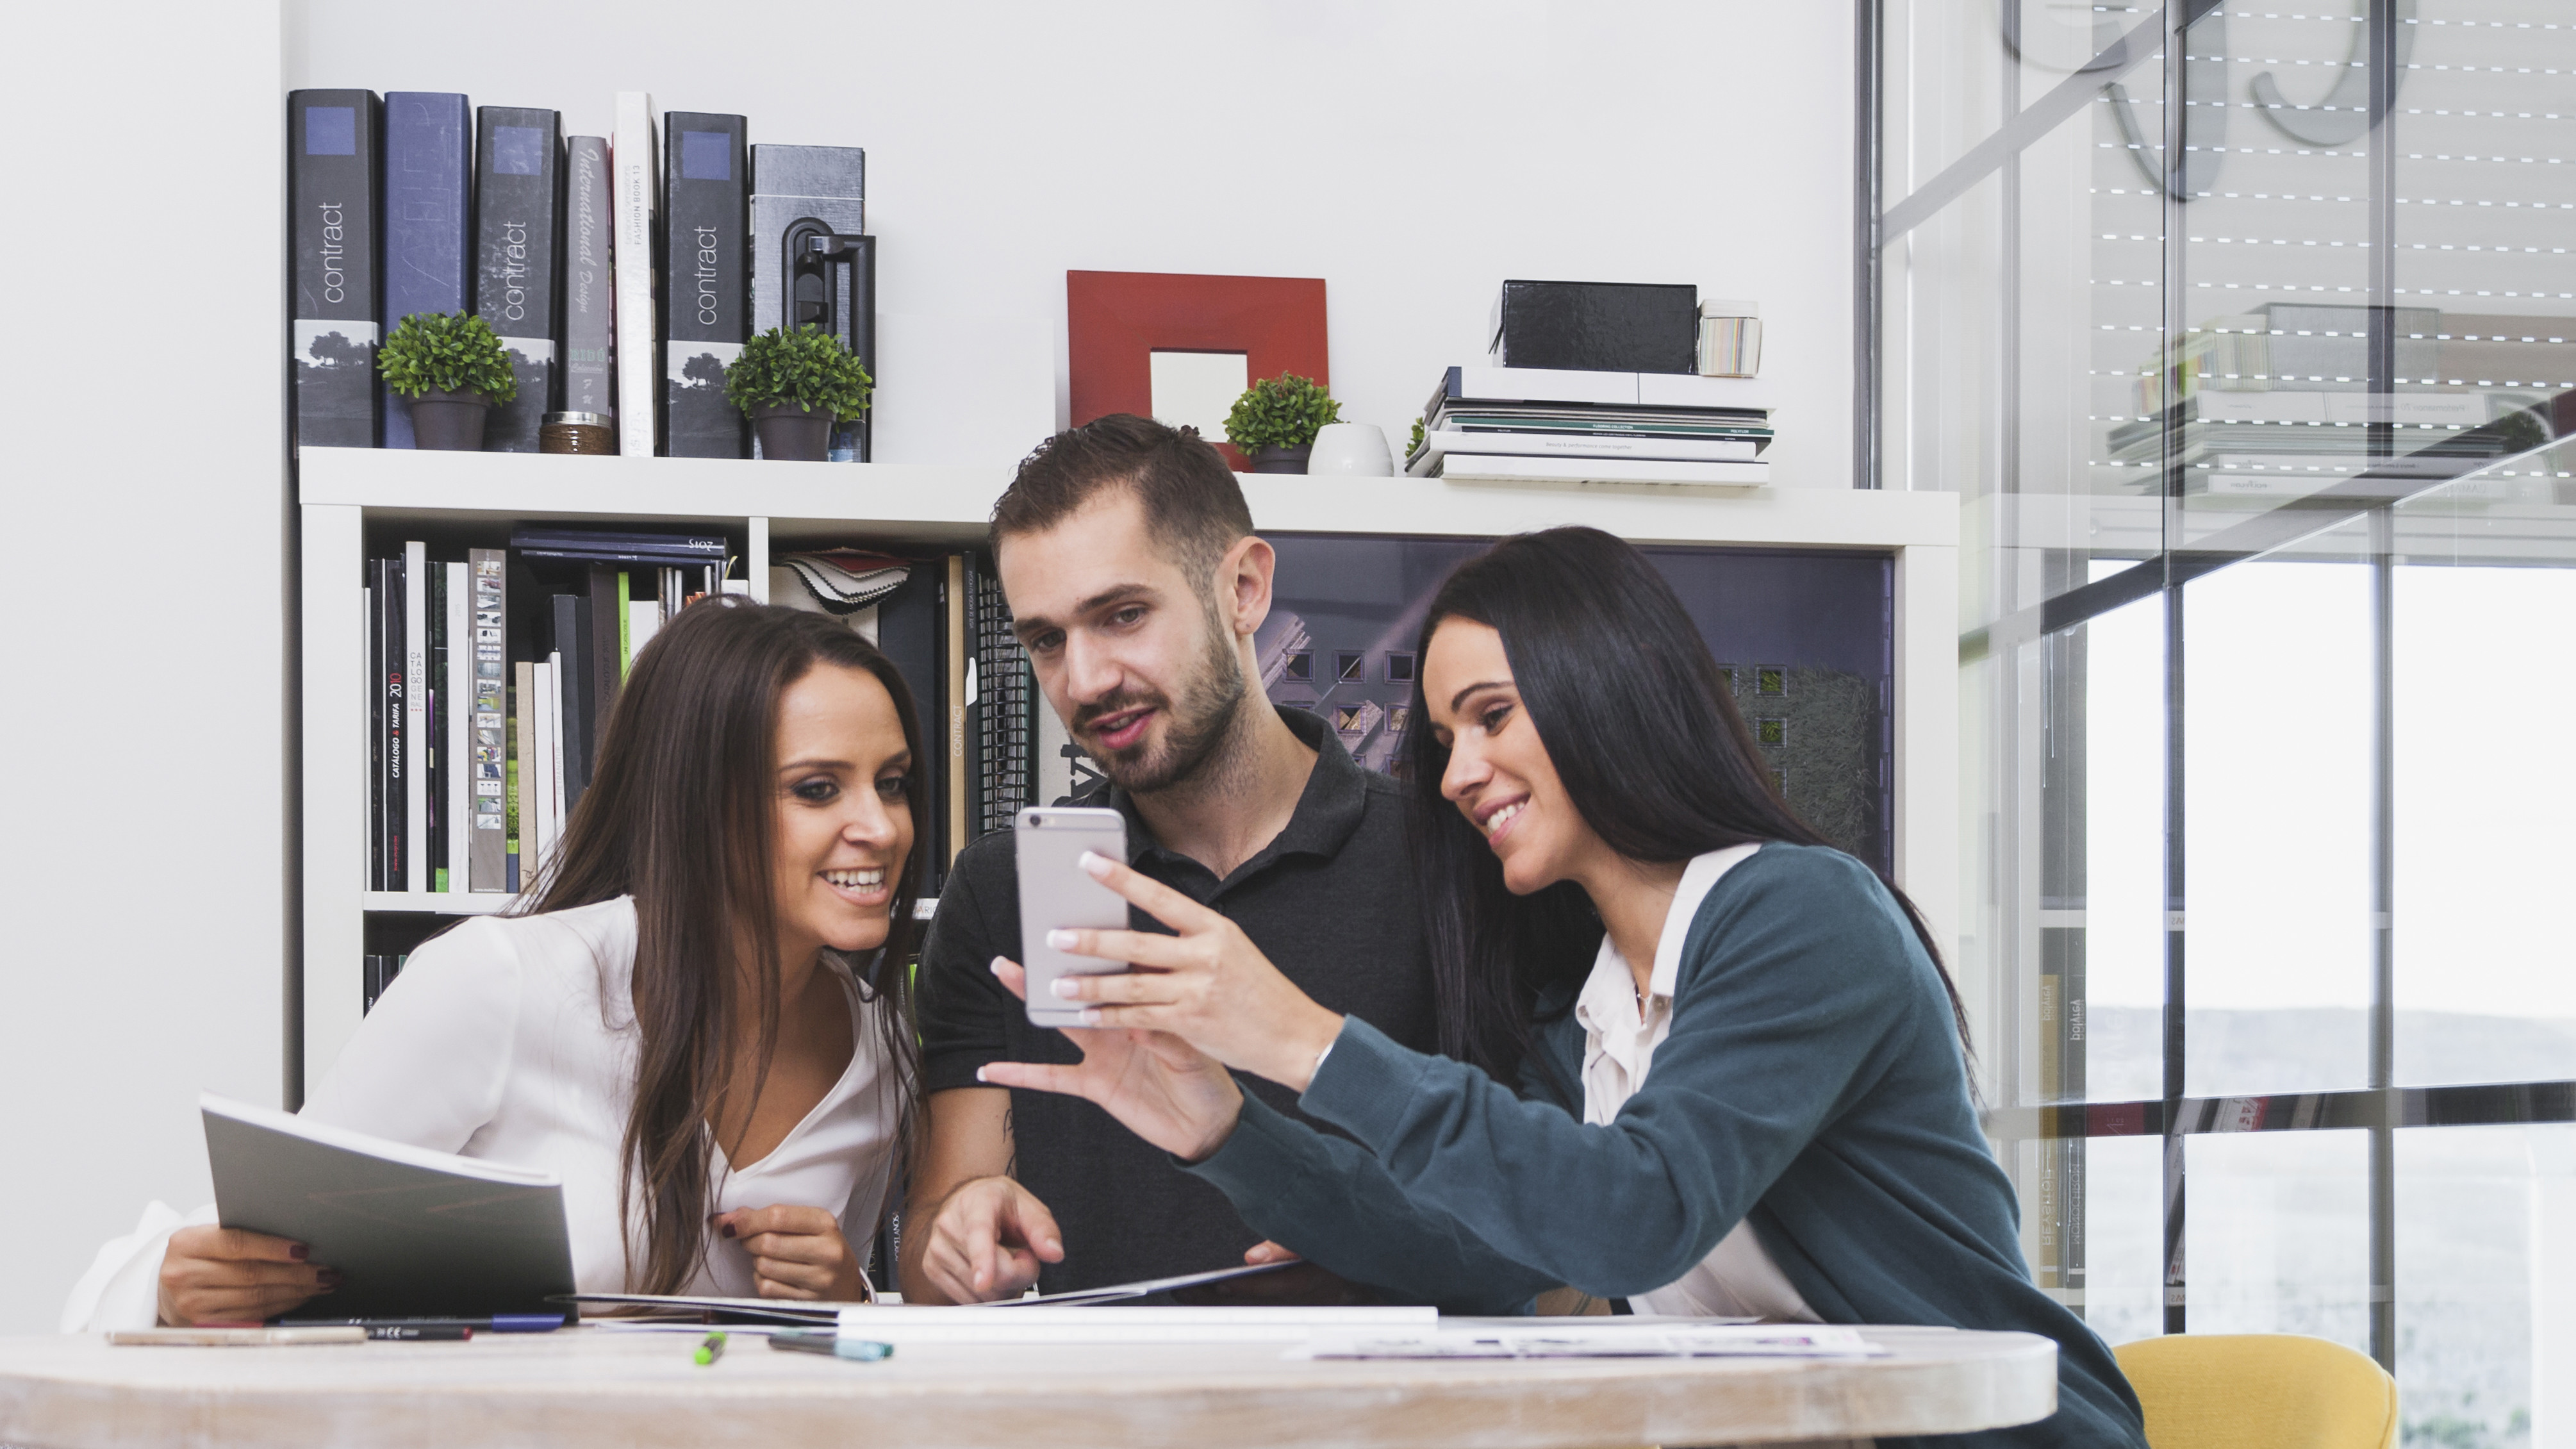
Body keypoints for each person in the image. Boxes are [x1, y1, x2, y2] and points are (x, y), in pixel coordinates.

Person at [977, 527, 2149, 1449]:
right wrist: (1224, 1128)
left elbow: (1635, 1217)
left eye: (1492, 716)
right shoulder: (1583, 1003)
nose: (1460, 775)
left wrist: (1303, 1037)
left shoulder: (1800, 911)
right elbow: (1486, 1253)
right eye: (1443, 742)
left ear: (1610, 690)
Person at [63, 600, 926, 1329]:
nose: (882, 827)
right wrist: (162, 1293)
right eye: (818, 788)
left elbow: (818, 1356)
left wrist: (846, 1291)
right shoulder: (503, 983)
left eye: (891, 782)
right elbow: (267, 1240)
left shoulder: (880, 1049)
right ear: (698, 804)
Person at [902, 414, 1438, 1304]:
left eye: (1122, 615)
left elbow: (1544, 1231)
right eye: (1046, 639)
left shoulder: (1442, 865)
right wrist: (961, 1232)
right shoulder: (1003, 889)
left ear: (1245, 588)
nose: (1082, 679)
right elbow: (931, 1248)